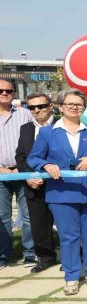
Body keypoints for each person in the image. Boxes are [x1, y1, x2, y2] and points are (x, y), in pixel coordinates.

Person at [27, 90, 87, 295]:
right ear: (60, 107)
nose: (74, 107)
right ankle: (72, 277)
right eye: (70, 104)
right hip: (61, 193)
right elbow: (33, 158)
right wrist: (46, 165)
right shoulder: (47, 132)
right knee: (69, 236)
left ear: (84, 108)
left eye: (79, 104)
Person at [15, 93, 56, 272]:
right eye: (31, 108)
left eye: (41, 106)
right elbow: (20, 156)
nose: (37, 110)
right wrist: (29, 176)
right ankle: (46, 258)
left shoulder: (61, 126)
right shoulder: (25, 128)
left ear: (50, 106)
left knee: (66, 222)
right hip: (34, 184)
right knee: (38, 222)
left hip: (59, 182)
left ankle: (74, 256)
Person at [0, 80, 34, 268]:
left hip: (22, 171)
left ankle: (30, 253)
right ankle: (4, 255)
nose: (4, 93)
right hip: (0, 174)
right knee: (2, 217)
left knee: (29, 216)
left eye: (8, 90)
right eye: (1, 90)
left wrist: (21, 167)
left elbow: (34, 143)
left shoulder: (25, 115)